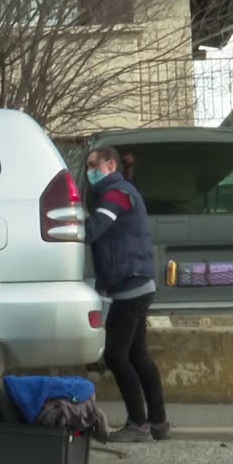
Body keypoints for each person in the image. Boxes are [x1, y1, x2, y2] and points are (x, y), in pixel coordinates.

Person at [84, 146, 169, 442]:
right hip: (135, 284)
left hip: (130, 287)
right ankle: (158, 423)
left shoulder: (118, 193)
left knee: (116, 355)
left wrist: (68, 227)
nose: (89, 170)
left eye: (94, 164)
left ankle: (138, 423)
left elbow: (94, 229)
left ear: (110, 165)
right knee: (138, 355)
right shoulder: (118, 192)